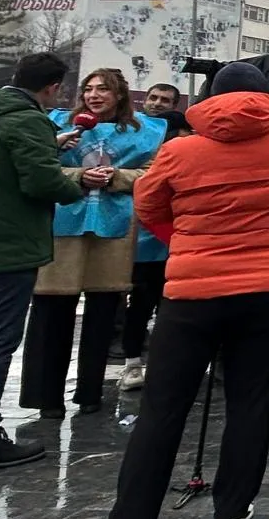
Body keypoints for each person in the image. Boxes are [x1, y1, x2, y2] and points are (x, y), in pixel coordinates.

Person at [80, 61, 269, 519]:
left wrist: (183, 242)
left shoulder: (179, 149)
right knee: (251, 401)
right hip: (266, 291)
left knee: (163, 408)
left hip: (192, 292)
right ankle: (232, 510)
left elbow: (148, 205)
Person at [21, 69, 165, 419]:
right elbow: (35, 165)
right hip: (62, 225)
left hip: (113, 227)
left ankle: (89, 393)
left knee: (103, 312)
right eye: (88, 89)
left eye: (103, 89)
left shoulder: (144, 129)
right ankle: (47, 398)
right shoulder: (54, 123)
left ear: (120, 95)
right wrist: (75, 174)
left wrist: (116, 177)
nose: (94, 95)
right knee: (53, 313)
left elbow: (153, 173)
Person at [0, 53, 84, 474]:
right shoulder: (26, 119)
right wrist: (80, 183)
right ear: (53, 88)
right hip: (5, 247)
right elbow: (39, 181)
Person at [119, 110, 192, 391]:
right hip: (147, 247)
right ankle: (132, 363)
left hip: (180, 248)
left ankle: (172, 364)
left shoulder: (190, 159)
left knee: (174, 312)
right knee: (139, 308)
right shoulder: (148, 162)